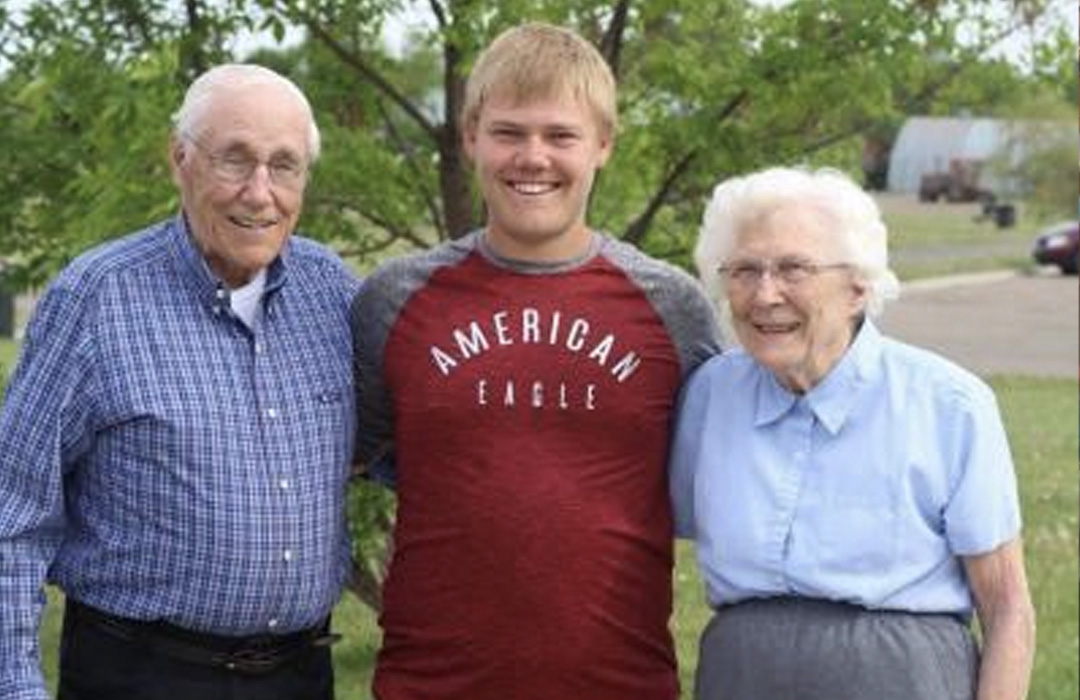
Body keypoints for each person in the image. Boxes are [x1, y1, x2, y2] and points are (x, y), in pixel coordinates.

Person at [352, 22, 719, 700]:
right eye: (509, 132)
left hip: (619, 685)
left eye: (560, 136)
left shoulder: (673, 309)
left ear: (603, 145)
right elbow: (323, 464)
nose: (533, 156)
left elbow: (735, 473)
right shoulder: (395, 301)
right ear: (469, 138)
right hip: (430, 686)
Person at [0, 63, 360, 700]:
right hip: (142, 675)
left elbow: (404, 454)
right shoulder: (96, 298)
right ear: (180, 160)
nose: (260, 192)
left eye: (284, 165)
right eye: (235, 160)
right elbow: (13, 515)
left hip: (302, 675)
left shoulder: (331, 293)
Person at [670, 166, 1036, 700]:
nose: (765, 294)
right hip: (742, 679)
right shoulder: (709, 395)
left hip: (901, 679)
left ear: (858, 288)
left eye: (794, 269)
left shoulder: (949, 404)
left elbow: (1008, 609)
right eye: (745, 270)